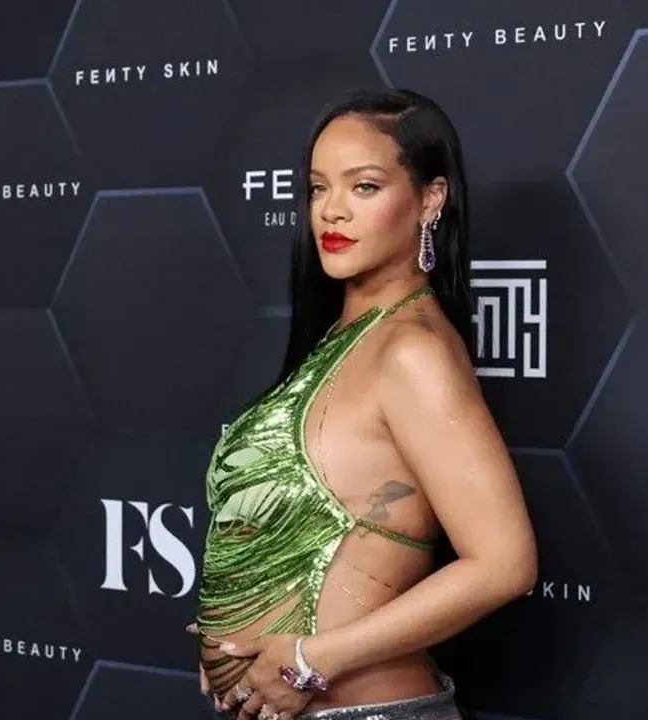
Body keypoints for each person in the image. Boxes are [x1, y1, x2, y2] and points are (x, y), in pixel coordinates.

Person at [186, 88, 538, 720]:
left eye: (365, 186)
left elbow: (505, 563)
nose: (332, 211)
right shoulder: (342, 337)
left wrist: (311, 659)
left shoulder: (413, 350)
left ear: (430, 198)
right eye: (318, 188)